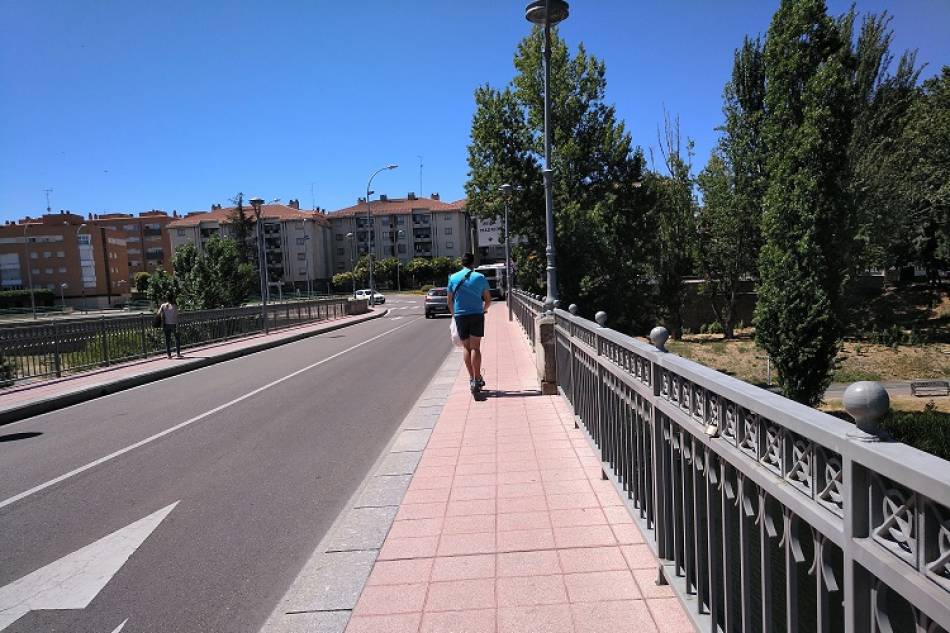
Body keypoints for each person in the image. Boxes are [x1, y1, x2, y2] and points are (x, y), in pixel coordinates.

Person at [447, 253, 491, 394]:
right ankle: (478, 378)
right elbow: (488, 300)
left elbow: (449, 301)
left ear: (462, 263)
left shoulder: (453, 278)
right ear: (473, 263)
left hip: (460, 316)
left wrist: (455, 315)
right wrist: (483, 310)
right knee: (475, 348)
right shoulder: (480, 277)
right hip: (476, 315)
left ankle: (472, 379)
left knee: (466, 348)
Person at [158, 294, 182, 359]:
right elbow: (176, 316)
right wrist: (177, 325)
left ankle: (169, 355)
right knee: (177, 339)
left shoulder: (163, 306)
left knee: (167, 340)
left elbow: (159, 313)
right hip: (173, 324)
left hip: (166, 324)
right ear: (172, 298)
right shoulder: (174, 306)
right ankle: (178, 354)